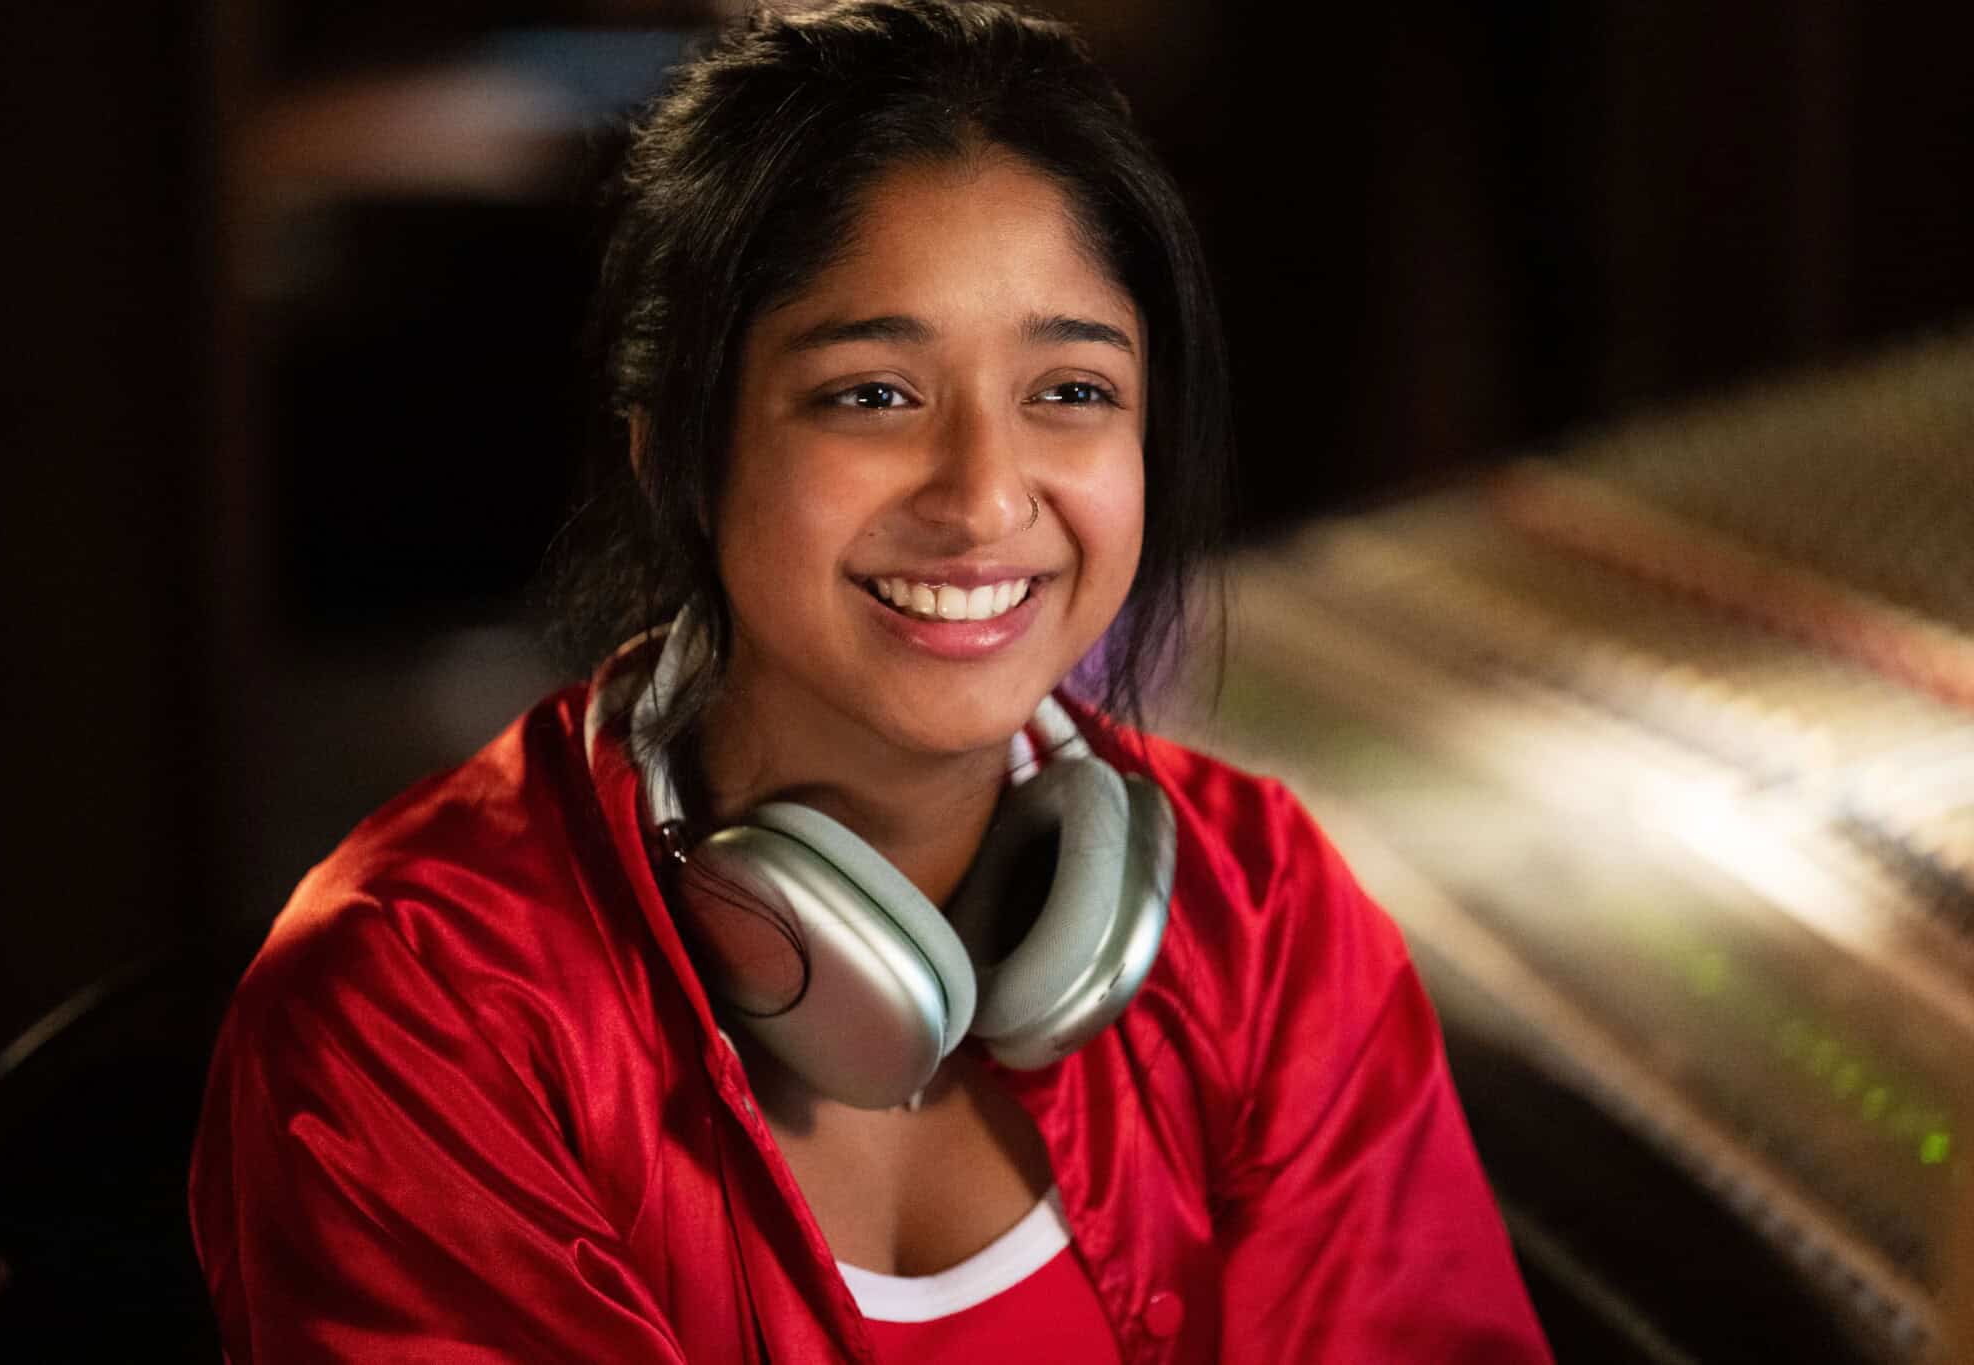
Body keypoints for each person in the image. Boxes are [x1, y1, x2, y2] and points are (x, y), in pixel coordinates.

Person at [189, 2, 1552, 1360]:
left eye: (1071, 390)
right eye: (874, 394)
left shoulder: (1260, 918)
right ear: (676, 450)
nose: (983, 497)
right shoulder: (416, 1009)